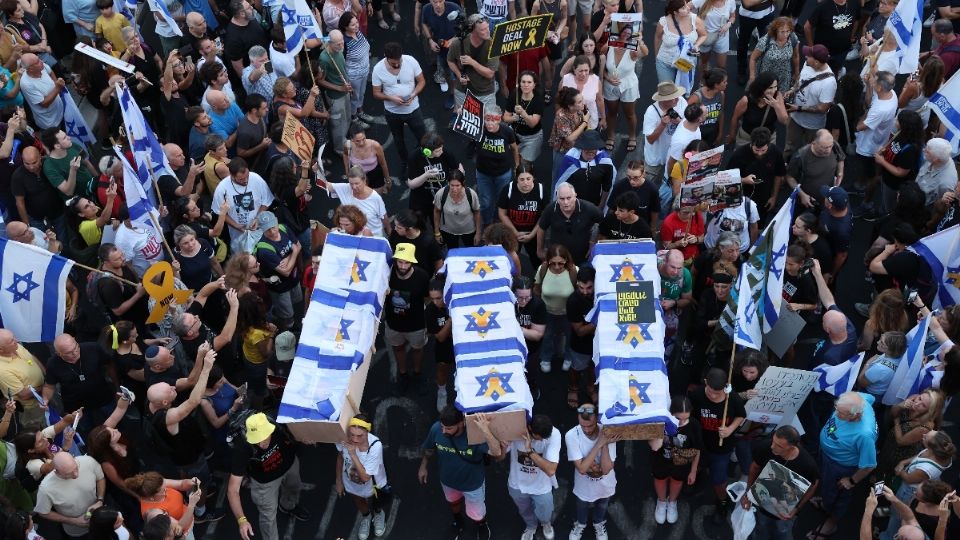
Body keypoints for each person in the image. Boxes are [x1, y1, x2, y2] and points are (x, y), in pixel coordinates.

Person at [419, 406, 501, 540]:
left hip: (472, 484)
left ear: (462, 423)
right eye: (442, 426)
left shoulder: (475, 434)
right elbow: (429, 448)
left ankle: (481, 523)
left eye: (449, 428)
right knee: (453, 502)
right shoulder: (436, 429)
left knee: (477, 513)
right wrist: (423, 466)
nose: (444, 431)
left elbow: (497, 452)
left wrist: (485, 430)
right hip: (447, 481)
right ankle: (458, 521)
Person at [228, 413, 308, 540]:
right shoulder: (242, 447)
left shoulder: (279, 423)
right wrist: (242, 520)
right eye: (256, 439)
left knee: (294, 487)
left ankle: (288, 505)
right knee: (268, 517)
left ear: (270, 428)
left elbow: (298, 431)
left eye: (264, 438)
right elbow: (233, 489)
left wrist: (305, 438)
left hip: (289, 465)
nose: (261, 444)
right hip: (265, 483)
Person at [812, 391, 878, 540]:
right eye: (836, 408)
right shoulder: (860, 400)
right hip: (827, 457)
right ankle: (826, 502)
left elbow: (869, 465)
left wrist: (852, 480)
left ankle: (831, 522)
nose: (836, 413)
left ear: (855, 415)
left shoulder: (864, 434)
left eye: (841, 413)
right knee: (828, 488)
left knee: (838, 496)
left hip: (840, 466)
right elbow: (870, 397)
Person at [742, 425, 820, 540]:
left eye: (779, 446)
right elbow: (754, 468)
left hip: (784, 510)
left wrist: (797, 508)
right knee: (761, 527)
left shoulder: (807, 464)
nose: (772, 447)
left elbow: (813, 486)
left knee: (781, 531)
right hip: (762, 502)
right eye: (773, 441)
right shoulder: (765, 447)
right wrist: (747, 493)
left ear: (792, 447)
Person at [690, 367, 746, 523]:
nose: (713, 395)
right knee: (698, 465)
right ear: (706, 382)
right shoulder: (696, 394)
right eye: (710, 391)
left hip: (722, 449)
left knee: (718, 480)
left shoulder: (733, 399)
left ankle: (723, 502)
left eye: (717, 393)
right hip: (701, 444)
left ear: (725, 386)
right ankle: (698, 475)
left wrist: (730, 429)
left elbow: (741, 416)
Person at [491, 414, 560, 540]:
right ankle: (531, 526)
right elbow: (498, 458)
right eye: (538, 438)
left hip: (542, 485)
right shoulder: (515, 430)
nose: (541, 441)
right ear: (529, 428)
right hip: (517, 484)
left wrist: (529, 451)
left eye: (544, 438)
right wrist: (503, 446)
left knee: (546, 512)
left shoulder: (554, 434)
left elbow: (550, 470)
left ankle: (546, 524)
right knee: (525, 511)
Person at [372, 41, 426, 177]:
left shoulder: (411, 61)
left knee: (423, 137)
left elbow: (421, 81)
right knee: (398, 139)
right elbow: (376, 93)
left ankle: (422, 160)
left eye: (399, 61)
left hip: (413, 109)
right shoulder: (378, 69)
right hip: (392, 112)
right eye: (393, 63)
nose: (397, 64)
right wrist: (391, 98)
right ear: (386, 57)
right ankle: (405, 163)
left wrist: (413, 94)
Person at [565, 402, 617, 540]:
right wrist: (600, 443)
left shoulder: (608, 431)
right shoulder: (571, 435)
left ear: (597, 420)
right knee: (581, 506)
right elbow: (582, 469)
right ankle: (580, 524)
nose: (587, 430)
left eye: (591, 425)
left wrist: (605, 443)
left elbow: (606, 469)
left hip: (606, 484)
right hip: (583, 485)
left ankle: (598, 523)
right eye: (583, 426)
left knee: (602, 505)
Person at [385, 243, 431, 394]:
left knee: (418, 349)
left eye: (406, 262)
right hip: (393, 324)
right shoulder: (387, 274)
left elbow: (427, 298)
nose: (403, 266)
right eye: (400, 262)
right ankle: (403, 374)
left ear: (412, 261)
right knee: (397, 348)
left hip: (416, 324)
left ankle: (417, 373)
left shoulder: (422, 276)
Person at [853, 70, 898, 220]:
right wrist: (868, 84)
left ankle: (866, 202)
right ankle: (859, 185)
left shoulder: (880, 110)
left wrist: (851, 124)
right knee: (866, 170)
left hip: (869, 147)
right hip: (877, 141)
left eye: (874, 80)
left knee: (873, 175)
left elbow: (861, 126)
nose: (871, 79)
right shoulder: (891, 94)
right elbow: (869, 103)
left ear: (880, 87)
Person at [335, 413, 387, 540]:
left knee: (376, 501)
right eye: (351, 434)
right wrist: (339, 480)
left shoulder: (375, 446)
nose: (354, 439)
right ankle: (366, 516)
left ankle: (379, 514)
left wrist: (353, 454)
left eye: (360, 436)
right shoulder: (343, 438)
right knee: (358, 500)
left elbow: (365, 478)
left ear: (367, 432)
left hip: (373, 484)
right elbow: (340, 457)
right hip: (351, 482)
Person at [34, 453, 106, 539]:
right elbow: (43, 513)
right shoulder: (46, 488)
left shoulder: (88, 461)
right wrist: (74, 521)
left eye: (76, 468)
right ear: (56, 471)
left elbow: (100, 478)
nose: (76, 475)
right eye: (69, 473)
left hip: (100, 521)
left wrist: (100, 500)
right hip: (77, 531)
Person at [725, 127, 785, 222]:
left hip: (764, 197)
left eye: (763, 150)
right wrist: (744, 180)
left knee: (759, 223)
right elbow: (726, 179)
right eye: (756, 150)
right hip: (742, 197)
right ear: (751, 143)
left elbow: (778, 175)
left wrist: (774, 197)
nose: (760, 154)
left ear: (768, 145)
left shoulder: (776, 152)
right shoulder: (739, 155)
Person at [536, 183, 602, 265]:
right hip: (557, 259)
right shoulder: (550, 209)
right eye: (562, 199)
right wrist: (539, 250)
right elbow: (541, 228)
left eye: (568, 198)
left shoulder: (589, 208)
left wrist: (593, 243)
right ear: (557, 198)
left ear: (575, 196)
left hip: (583, 257)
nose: (565, 202)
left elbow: (603, 224)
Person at [447, 14, 499, 116]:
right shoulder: (458, 43)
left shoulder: (493, 45)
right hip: (462, 91)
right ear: (473, 31)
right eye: (483, 30)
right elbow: (450, 60)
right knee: (464, 121)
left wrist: (472, 62)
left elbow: (490, 74)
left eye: (487, 27)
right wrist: (459, 75)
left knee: (489, 122)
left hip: (485, 92)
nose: (488, 31)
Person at [212, 158, 275, 242]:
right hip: (237, 235)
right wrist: (236, 225)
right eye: (241, 179)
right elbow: (220, 212)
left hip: (260, 228)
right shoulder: (222, 188)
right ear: (231, 175)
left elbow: (266, 201)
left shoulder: (256, 178)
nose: (246, 181)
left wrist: (257, 218)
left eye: (247, 176)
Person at [476, 105, 519, 225]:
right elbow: (464, 126)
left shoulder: (507, 132)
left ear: (499, 119)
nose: (490, 124)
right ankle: (487, 224)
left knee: (501, 201)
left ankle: (498, 222)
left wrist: (517, 166)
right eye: (487, 120)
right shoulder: (478, 130)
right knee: (485, 202)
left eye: (493, 120)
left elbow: (514, 149)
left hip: (503, 174)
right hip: (483, 173)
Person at [654, 0, 707, 92]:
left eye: (686, 5)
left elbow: (704, 35)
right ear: (675, 12)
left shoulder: (695, 19)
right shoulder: (663, 22)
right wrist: (657, 56)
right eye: (683, 8)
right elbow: (657, 38)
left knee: (681, 91)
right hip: (665, 62)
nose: (688, 8)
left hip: (685, 62)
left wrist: (696, 45)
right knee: (666, 91)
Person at [786, 129, 845, 209]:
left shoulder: (834, 145)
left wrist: (839, 175)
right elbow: (790, 177)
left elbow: (840, 158)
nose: (828, 150)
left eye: (830, 146)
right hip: (808, 201)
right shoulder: (800, 156)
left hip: (828, 199)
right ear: (813, 143)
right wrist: (802, 195)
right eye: (824, 147)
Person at [325, 166, 390, 237]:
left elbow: (384, 217)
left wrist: (389, 231)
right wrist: (316, 170)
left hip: (374, 235)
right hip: (353, 235)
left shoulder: (375, 198)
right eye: (351, 183)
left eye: (357, 183)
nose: (354, 187)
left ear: (364, 181)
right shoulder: (346, 188)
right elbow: (326, 185)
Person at [727, 72, 788, 148]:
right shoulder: (746, 100)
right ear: (761, 87)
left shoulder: (778, 97)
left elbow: (784, 120)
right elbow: (735, 118)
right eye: (770, 88)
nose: (773, 91)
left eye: (775, 87)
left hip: (768, 140)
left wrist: (776, 106)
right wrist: (732, 135)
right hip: (747, 139)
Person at [643, 82, 687, 185]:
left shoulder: (681, 101)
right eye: (673, 98)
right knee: (649, 184)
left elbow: (688, 123)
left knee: (673, 182)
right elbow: (650, 139)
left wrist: (679, 122)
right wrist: (662, 124)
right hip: (656, 157)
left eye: (676, 96)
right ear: (663, 100)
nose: (677, 99)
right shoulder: (651, 112)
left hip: (674, 153)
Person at [317, 30, 351, 156]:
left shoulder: (338, 49)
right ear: (330, 43)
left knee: (347, 118)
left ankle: (344, 140)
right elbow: (320, 80)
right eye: (338, 44)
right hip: (335, 97)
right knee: (338, 124)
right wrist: (339, 88)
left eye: (342, 42)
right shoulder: (324, 58)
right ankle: (339, 148)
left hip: (345, 91)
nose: (341, 46)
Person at [502, 71, 545, 167]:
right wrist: (513, 118)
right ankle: (518, 174)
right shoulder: (515, 95)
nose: (526, 85)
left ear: (534, 85)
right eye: (523, 82)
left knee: (525, 164)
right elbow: (505, 117)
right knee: (517, 161)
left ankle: (526, 175)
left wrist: (523, 113)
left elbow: (533, 123)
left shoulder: (538, 100)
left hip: (532, 138)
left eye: (529, 82)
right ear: (519, 84)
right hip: (515, 135)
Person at [548, 87, 589, 181]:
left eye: (582, 99)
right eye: (579, 102)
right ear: (570, 106)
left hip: (576, 148)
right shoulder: (561, 116)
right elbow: (569, 138)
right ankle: (554, 195)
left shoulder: (580, 110)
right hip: (562, 151)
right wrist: (585, 122)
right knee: (558, 176)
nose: (583, 103)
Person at [425, 279, 454, 412]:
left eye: (438, 298)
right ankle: (442, 392)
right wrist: (451, 320)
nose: (436, 302)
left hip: (462, 343)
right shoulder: (430, 311)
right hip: (445, 346)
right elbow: (440, 337)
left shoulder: (455, 302)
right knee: (442, 368)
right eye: (433, 299)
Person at [18, 53, 64, 129]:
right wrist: (57, 88)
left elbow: (50, 72)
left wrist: (55, 82)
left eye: (38, 58)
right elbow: (44, 104)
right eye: (37, 62)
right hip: (50, 122)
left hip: (60, 110)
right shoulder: (26, 84)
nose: (41, 61)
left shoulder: (41, 66)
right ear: (30, 68)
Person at [686, 67, 727, 147]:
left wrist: (720, 133)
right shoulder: (696, 97)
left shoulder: (721, 94)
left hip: (712, 132)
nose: (727, 83)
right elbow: (686, 117)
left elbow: (721, 113)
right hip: (698, 134)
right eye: (724, 82)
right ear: (716, 85)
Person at [916, 139, 958, 206]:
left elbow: (939, 207)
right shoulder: (941, 156)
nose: (924, 150)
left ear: (936, 159)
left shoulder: (945, 184)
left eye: (927, 151)